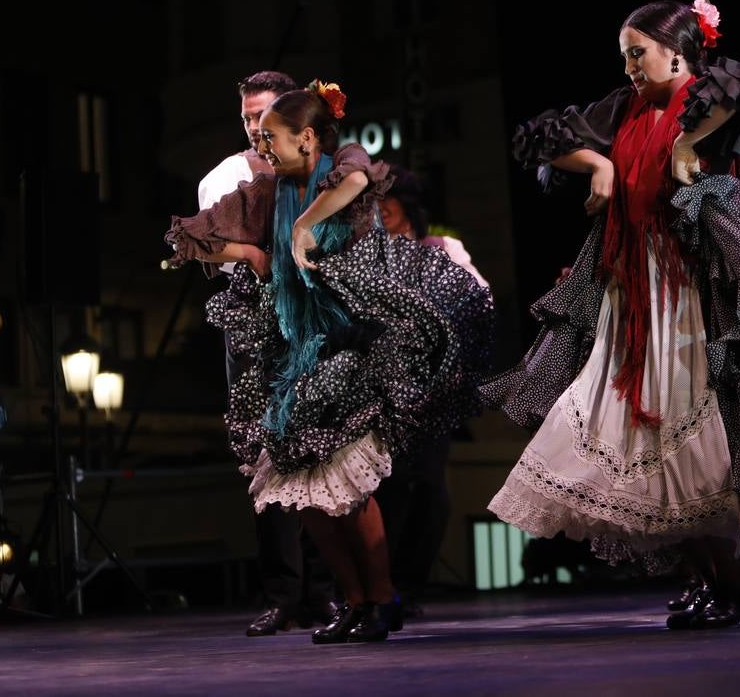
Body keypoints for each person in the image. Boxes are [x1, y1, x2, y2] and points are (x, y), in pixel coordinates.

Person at [483, 0, 740, 629]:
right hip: (629, 291)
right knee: (631, 432)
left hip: (690, 294)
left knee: (689, 429)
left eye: (638, 52)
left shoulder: (706, 99)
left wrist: (687, 139)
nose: (629, 66)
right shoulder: (623, 107)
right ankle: (708, 579)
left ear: (676, 48)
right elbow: (540, 136)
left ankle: (733, 581)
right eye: (623, 55)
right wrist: (598, 161)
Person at [164, 82, 494, 643]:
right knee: (304, 493)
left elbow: (362, 177)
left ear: (308, 137)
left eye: (270, 137)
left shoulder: (342, 175)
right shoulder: (265, 191)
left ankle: (382, 597)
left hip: (347, 349)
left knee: (348, 491)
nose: (260, 148)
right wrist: (249, 250)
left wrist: (302, 225)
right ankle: (355, 597)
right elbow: (193, 236)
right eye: (259, 137)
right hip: (293, 356)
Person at [200, 71, 337, 638]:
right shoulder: (227, 176)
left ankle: (330, 591)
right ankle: (283, 592)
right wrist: (258, 257)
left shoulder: (316, 165)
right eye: (248, 116)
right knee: (268, 452)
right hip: (255, 317)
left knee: (326, 443)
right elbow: (214, 250)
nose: (256, 126)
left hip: (315, 312)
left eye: (266, 114)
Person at [374, 165, 486, 612]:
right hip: (382, 384)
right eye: (372, 199)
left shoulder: (440, 248)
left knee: (426, 482)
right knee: (389, 484)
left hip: (433, 383)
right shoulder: (367, 255)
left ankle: (409, 583)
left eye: (389, 198)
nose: (379, 207)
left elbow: (479, 302)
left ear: (409, 205)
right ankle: (383, 584)